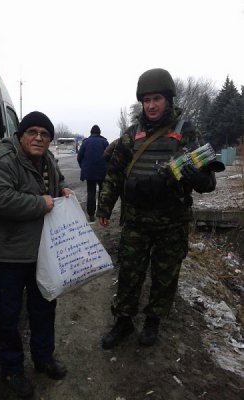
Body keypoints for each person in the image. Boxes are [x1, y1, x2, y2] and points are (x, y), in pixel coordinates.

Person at [97, 68, 218, 350]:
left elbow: (209, 182)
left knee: (165, 276)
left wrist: (196, 177)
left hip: (171, 223)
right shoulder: (131, 135)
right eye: (146, 100)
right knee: (129, 273)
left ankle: (153, 320)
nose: (151, 106)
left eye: (157, 99)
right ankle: (123, 320)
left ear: (169, 100)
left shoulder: (187, 132)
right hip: (136, 221)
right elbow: (114, 173)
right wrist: (104, 207)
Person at [0, 111, 72, 398]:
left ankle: (43, 359)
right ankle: (12, 370)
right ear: (20, 135)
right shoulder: (4, 160)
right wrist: (38, 204)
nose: (39, 138)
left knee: (44, 308)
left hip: (41, 252)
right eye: (32, 132)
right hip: (6, 256)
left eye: (44, 134)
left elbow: (55, 183)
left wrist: (62, 189)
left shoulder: (48, 161)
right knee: (7, 316)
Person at [77, 124, 109, 222]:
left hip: (89, 172)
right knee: (102, 192)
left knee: (91, 193)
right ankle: (101, 213)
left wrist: (83, 167)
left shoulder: (85, 142)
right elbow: (110, 156)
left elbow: (79, 157)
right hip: (102, 172)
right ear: (99, 133)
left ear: (91, 132)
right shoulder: (104, 142)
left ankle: (91, 215)